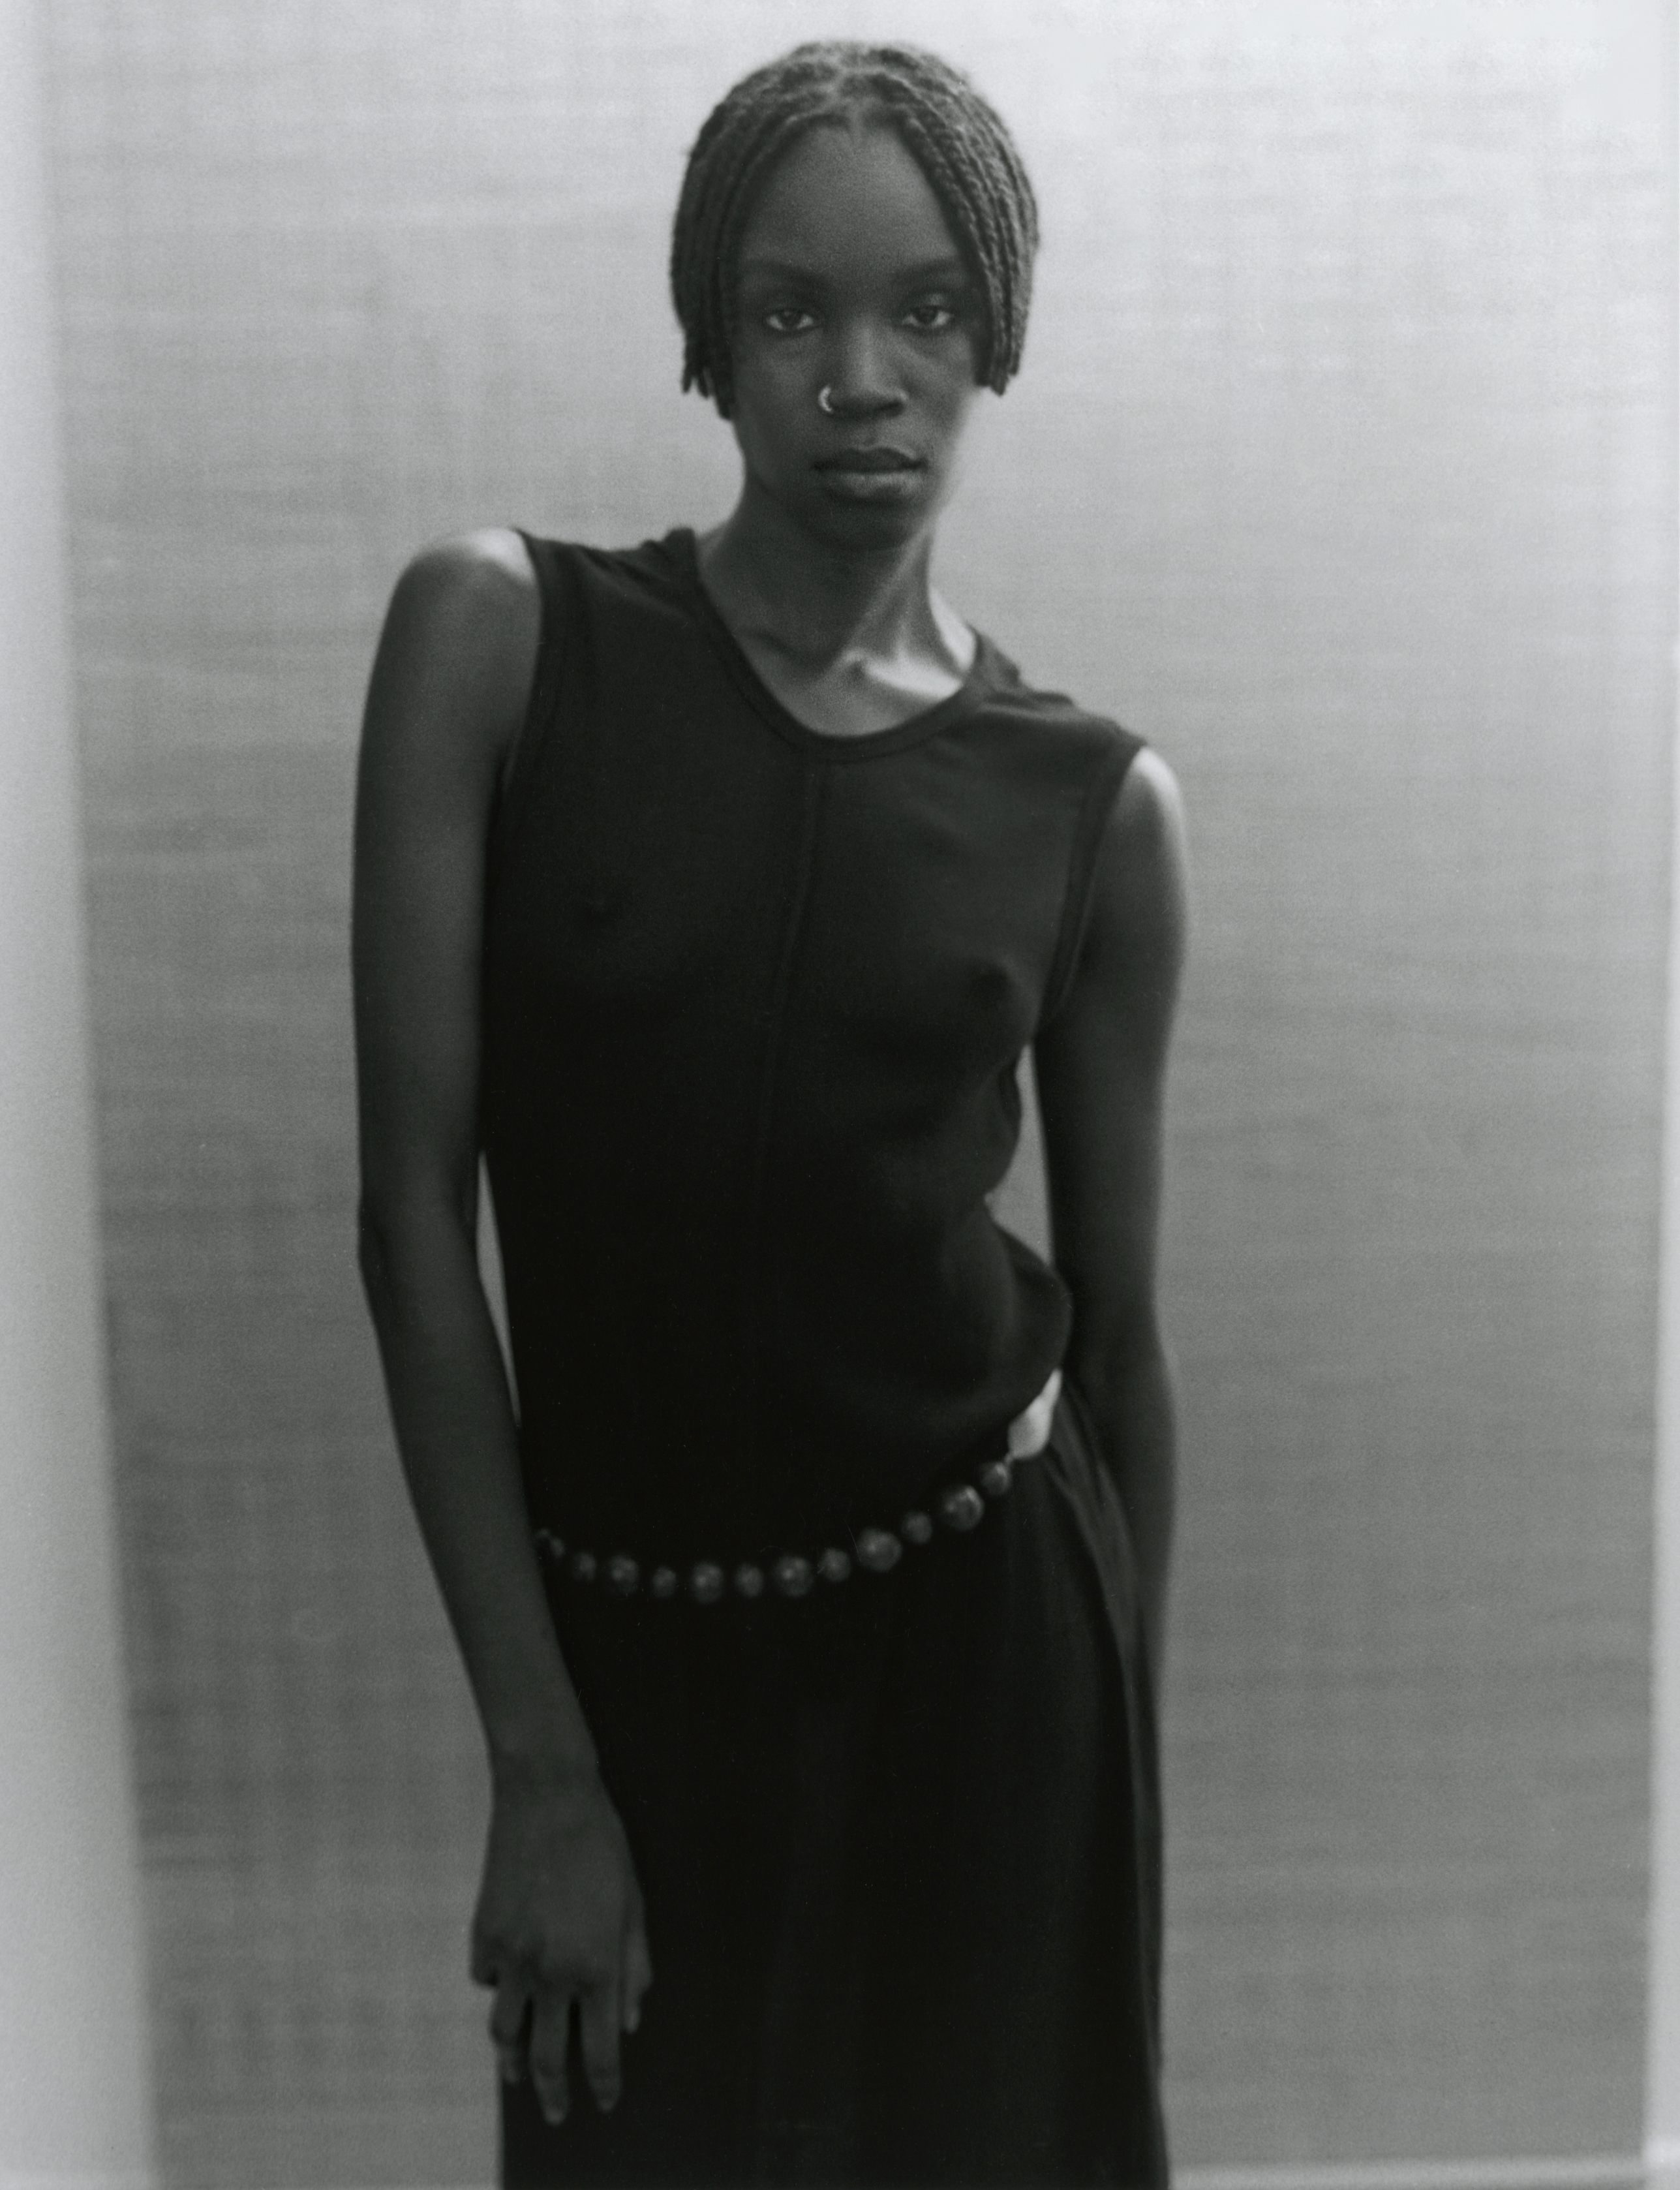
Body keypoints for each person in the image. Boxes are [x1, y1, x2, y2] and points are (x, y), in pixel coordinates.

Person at [352, 38, 1187, 2189]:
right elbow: (411, 1224)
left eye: (929, 310)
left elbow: (1123, 1344)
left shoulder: (1094, 802)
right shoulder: (500, 643)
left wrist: (1118, 1784)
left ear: (997, 336)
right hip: (628, 1680)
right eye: (792, 311)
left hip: (994, 1658)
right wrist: (544, 1767)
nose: (863, 378)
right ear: (711, 347)